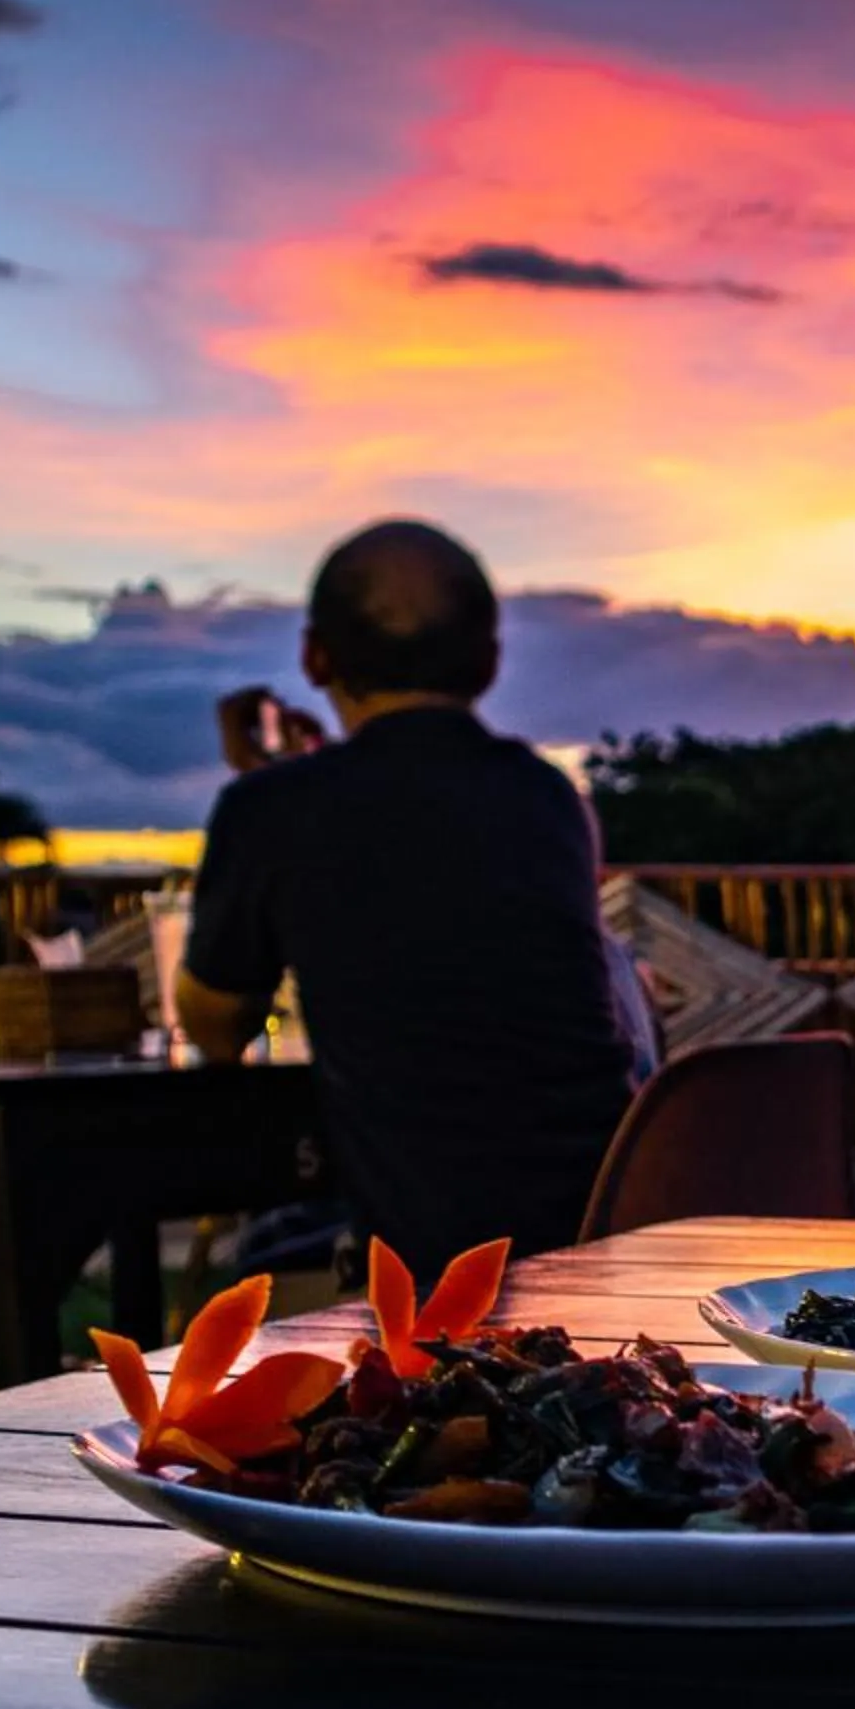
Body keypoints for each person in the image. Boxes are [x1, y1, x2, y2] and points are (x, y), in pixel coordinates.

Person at [175, 519, 639, 1283]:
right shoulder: (545, 798)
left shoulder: (275, 810)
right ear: (489, 661)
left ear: (314, 657)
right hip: (602, 1228)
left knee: (246, 1258)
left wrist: (265, 790)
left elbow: (217, 1026)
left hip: (433, 1267)